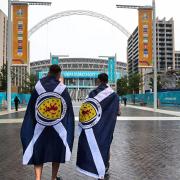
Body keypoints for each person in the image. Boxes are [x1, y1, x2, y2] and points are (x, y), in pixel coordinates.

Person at [20, 65, 75, 180]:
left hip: (40, 127)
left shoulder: (38, 86)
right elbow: (67, 110)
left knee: (38, 152)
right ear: (58, 74)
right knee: (57, 152)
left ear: (49, 72)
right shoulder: (62, 88)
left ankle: (38, 178)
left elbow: (32, 108)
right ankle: (53, 178)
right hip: (57, 128)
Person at [76, 73, 119, 180]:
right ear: (107, 80)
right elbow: (118, 112)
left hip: (94, 127)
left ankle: (95, 167)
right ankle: (105, 166)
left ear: (99, 80)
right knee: (106, 144)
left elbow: (84, 110)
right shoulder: (113, 95)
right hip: (107, 126)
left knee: (95, 145)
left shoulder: (92, 94)